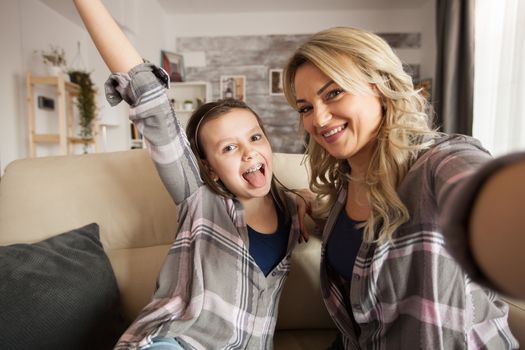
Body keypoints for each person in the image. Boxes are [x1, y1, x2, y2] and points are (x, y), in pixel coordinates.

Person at [73, 1, 306, 349]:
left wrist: (309, 199)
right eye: (228, 148)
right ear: (209, 166)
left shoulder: (290, 208)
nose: (248, 152)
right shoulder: (199, 196)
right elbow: (149, 100)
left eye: (255, 137)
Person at [283, 26, 521, 349]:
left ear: (380, 86)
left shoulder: (438, 161)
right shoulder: (345, 181)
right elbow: (352, 232)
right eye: (306, 107)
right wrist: (296, 198)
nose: (319, 120)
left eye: (334, 92)